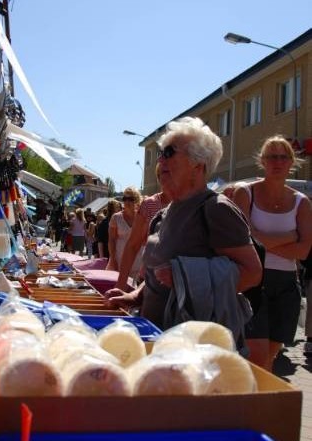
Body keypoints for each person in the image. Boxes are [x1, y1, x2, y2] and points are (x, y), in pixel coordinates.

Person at [106, 117, 262, 338]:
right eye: (161, 153)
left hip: (193, 344)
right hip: (157, 337)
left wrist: (186, 276)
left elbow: (252, 273)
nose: (160, 160)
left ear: (198, 165)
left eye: (169, 152)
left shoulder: (215, 209)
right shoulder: (163, 214)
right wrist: (137, 296)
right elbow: (158, 274)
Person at [232, 135, 312, 370]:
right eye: (271, 157)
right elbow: (243, 240)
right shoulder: (245, 194)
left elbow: (305, 249)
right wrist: (289, 237)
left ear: (291, 161)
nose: (277, 162)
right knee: (257, 355)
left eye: (283, 157)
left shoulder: (301, 202)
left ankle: (259, 401)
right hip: (254, 281)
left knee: (270, 357)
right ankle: (255, 402)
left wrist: (261, 240)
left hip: (287, 285)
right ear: (262, 161)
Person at [115, 165, 171, 290]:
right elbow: (133, 244)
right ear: (158, 178)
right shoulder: (149, 204)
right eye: (163, 173)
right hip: (149, 275)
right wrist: (120, 285)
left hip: (179, 279)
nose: (168, 177)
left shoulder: (189, 203)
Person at [106, 186, 143, 281]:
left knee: (134, 291)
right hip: (120, 260)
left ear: (137, 200)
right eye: (125, 199)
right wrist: (113, 260)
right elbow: (111, 240)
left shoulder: (142, 217)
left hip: (138, 261)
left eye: (130, 199)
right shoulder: (116, 218)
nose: (127, 202)